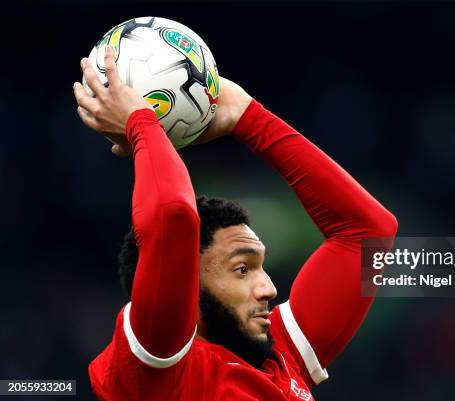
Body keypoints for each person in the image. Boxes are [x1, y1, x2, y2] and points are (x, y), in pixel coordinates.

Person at [73, 45, 398, 400]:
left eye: (260, 267)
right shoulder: (159, 369)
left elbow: (368, 233)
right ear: (183, 286)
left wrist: (249, 118)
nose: (269, 289)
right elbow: (173, 217)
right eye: (242, 269)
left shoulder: (280, 359)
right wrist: (140, 123)